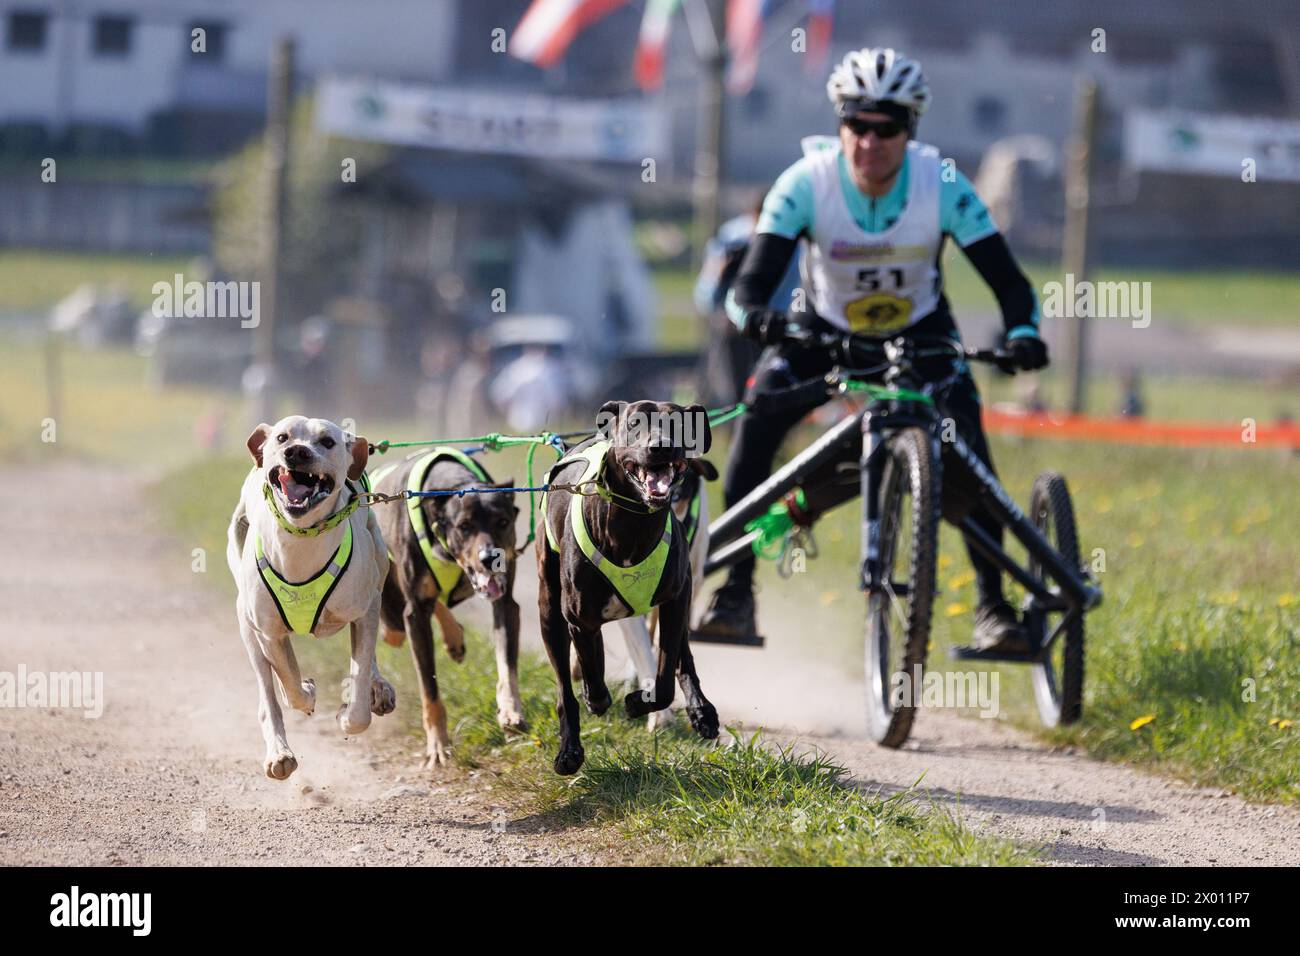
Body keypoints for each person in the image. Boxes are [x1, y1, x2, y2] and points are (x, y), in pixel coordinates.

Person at [695, 48, 1049, 654]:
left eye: (886, 128)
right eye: (856, 124)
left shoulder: (940, 183)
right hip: (823, 333)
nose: (869, 140)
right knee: (757, 425)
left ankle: (994, 609)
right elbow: (749, 287)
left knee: (970, 453)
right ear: (840, 124)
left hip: (922, 336)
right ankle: (735, 592)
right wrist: (755, 317)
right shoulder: (806, 182)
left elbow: (1011, 285)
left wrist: (1023, 333)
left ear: (910, 131)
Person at [693, 194, 802, 405]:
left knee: (768, 387)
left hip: (772, 326)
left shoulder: (789, 241)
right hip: (731, 326)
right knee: (735, 390)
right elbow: (706, 289)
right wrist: (721, 271)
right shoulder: (732, 238)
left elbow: (795, 287)